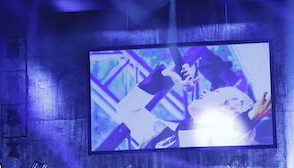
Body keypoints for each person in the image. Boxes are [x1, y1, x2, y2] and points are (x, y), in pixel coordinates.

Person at [116, 63, 272, 149]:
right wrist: (164, 78)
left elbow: (231, 133)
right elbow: (127, 110)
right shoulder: (166, 130)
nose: (205, 90)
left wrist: (251, 118)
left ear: (228, 110)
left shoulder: (213, 143)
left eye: (216, 92)